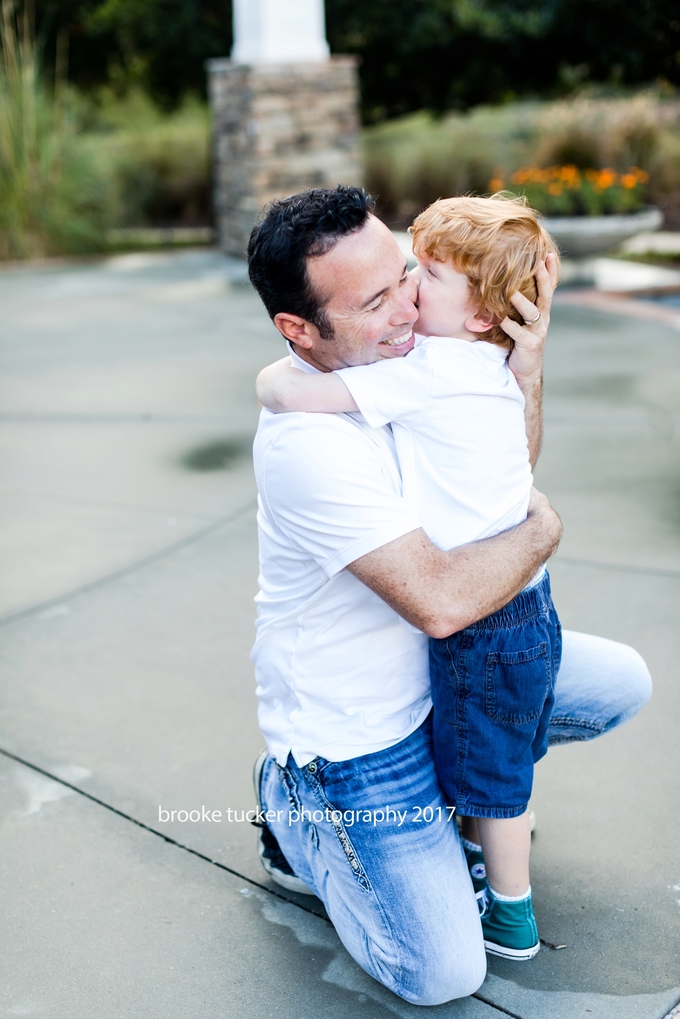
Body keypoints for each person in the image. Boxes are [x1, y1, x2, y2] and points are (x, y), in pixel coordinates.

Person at [247, 185, 651, 1006]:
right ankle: (295, 811)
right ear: (300, 329)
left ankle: (449, 795)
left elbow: (507, 464)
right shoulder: (311, 445)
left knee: (621, 684)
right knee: (444, 973)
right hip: (362, 735)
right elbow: (441, 601)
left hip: (444, 674)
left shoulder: (413, 359)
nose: (406, 305)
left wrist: (525, 367)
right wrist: (542, 533)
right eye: (375, 300)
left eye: (407, 273)